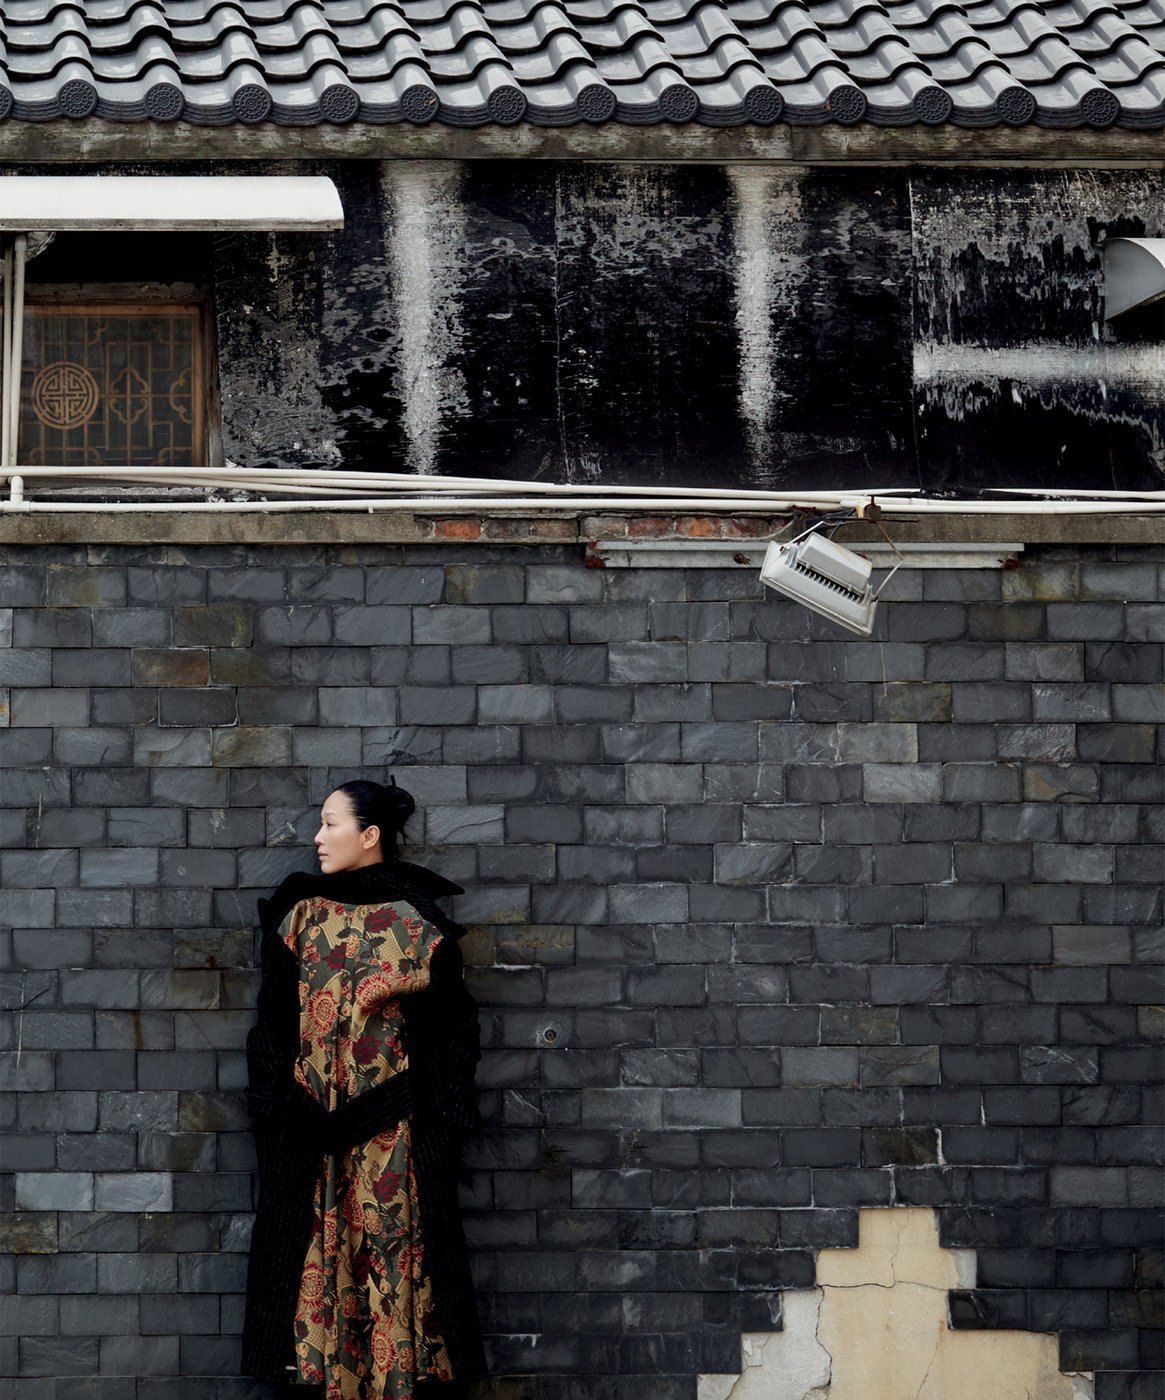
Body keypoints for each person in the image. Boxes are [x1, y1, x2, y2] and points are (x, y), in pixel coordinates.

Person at [243, 778, 484, 1400]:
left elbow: (452, 1038)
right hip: (309, 1131)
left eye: (330, 824)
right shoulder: (298, 916)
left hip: (391, 1142)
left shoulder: (418, 927)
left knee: (390, 1255)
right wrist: (282, 1107)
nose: (317, 839)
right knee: (308, 1261)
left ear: (369, 836)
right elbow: (272, 1023)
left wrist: (427, 1115)